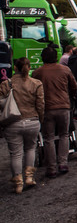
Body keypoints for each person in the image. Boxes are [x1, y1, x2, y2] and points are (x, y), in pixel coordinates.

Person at [0, 58, 45, 194]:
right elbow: (41, 105)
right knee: (31, 149)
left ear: (15, 68)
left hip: (12, 122)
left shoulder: (6, 84)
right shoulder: (36, 83)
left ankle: (18, 183)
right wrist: (40, 119)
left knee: (16, 153)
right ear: (29, 68)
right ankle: (29, 177)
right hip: (32, 120)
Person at [33, 46, 77, 178]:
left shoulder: (37, 72)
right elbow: (74, 86)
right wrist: (71, 96)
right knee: (64, 134)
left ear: (42, 58)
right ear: (56, 57)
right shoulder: (65, 69)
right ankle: (63, 163)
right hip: (64, 106)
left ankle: (51, 168)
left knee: (48, 138)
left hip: (47, 108)